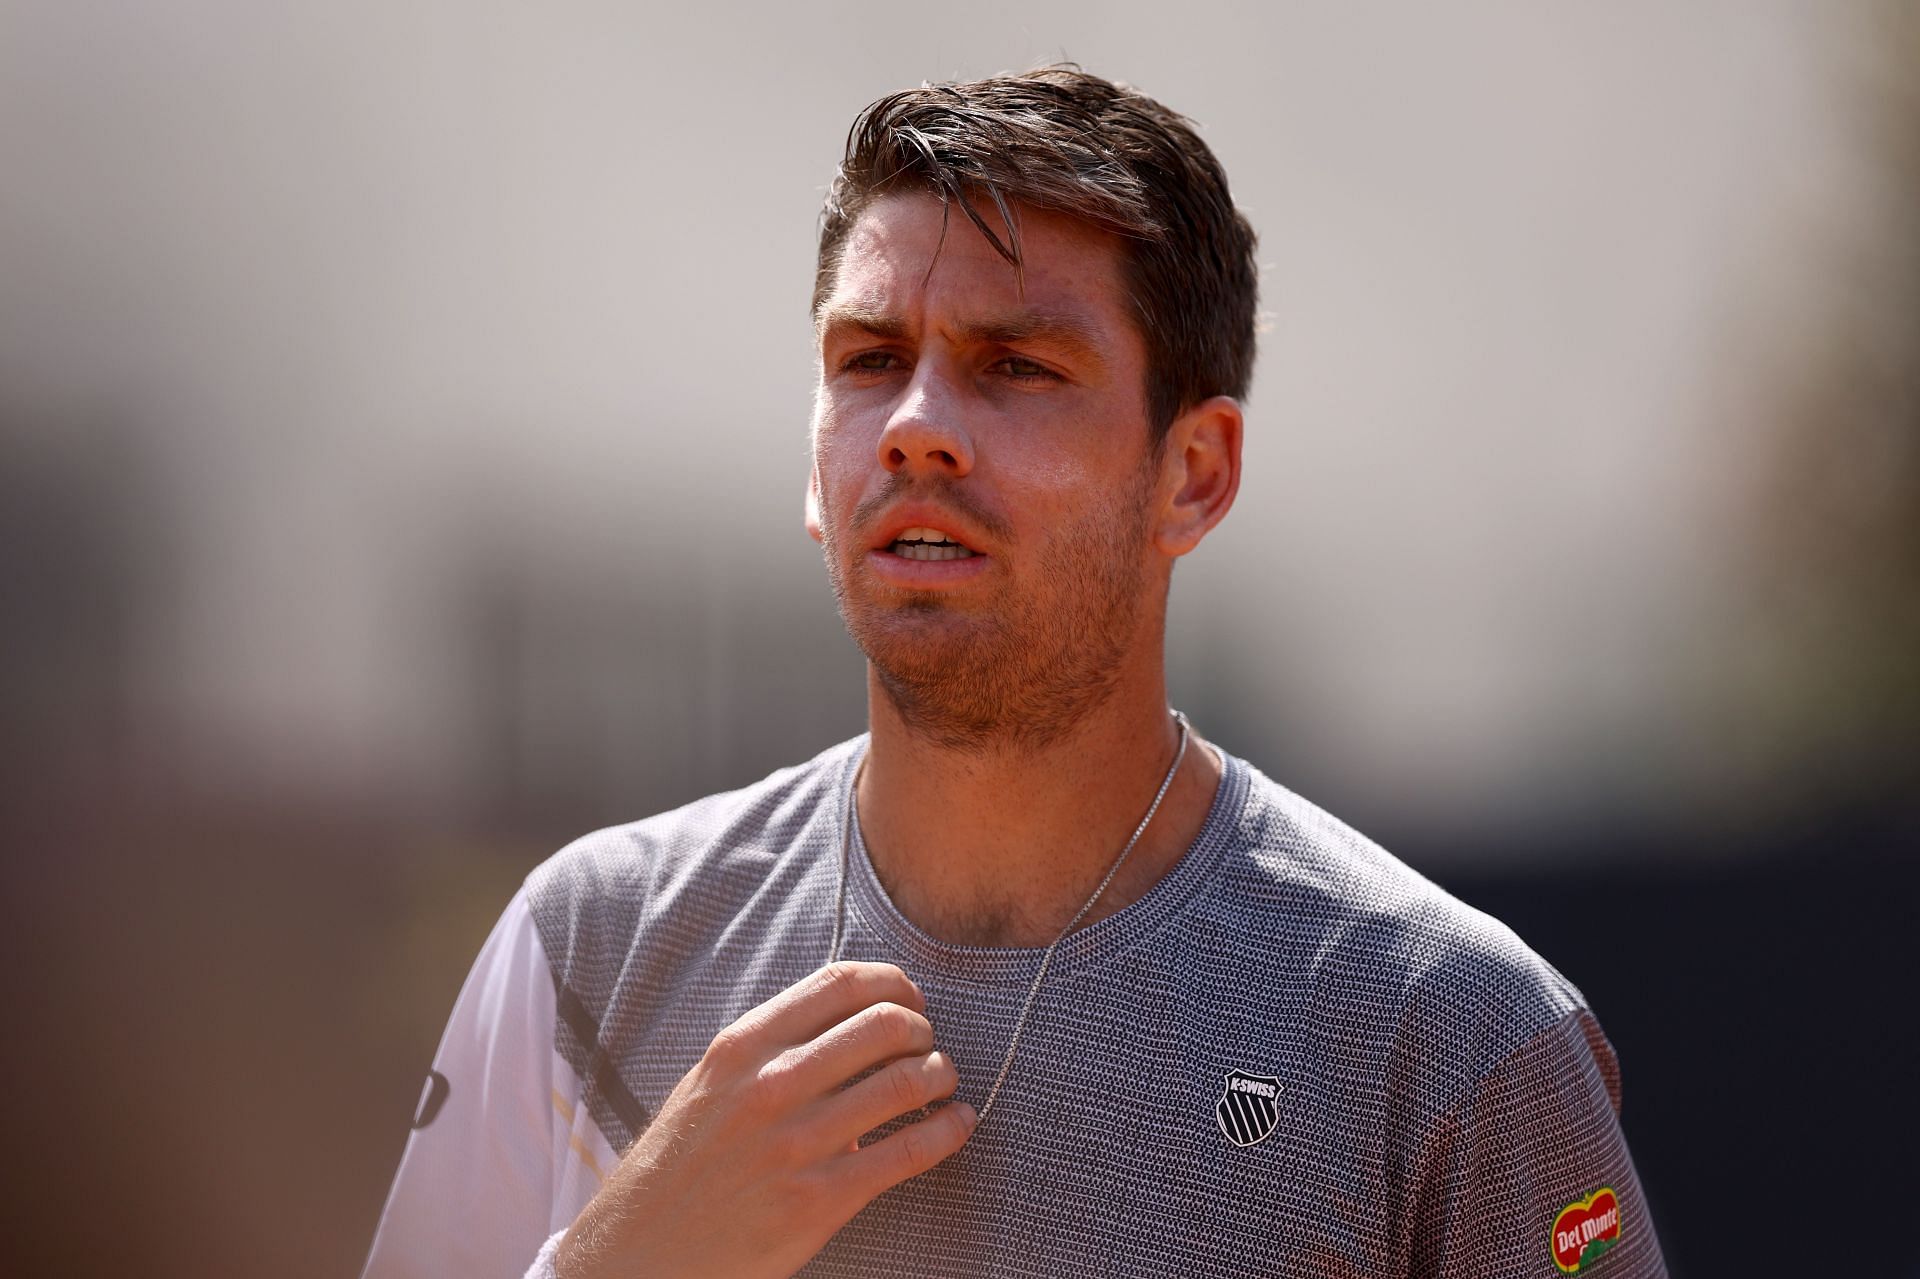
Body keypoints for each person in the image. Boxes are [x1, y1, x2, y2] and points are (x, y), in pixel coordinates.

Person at [362, 66, 1668, 1279]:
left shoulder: (1446, 1040)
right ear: (814, 469)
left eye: (1017, 368)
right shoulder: (587, 949)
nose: (918, 428)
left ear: (1192, 474)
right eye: (870, 361)